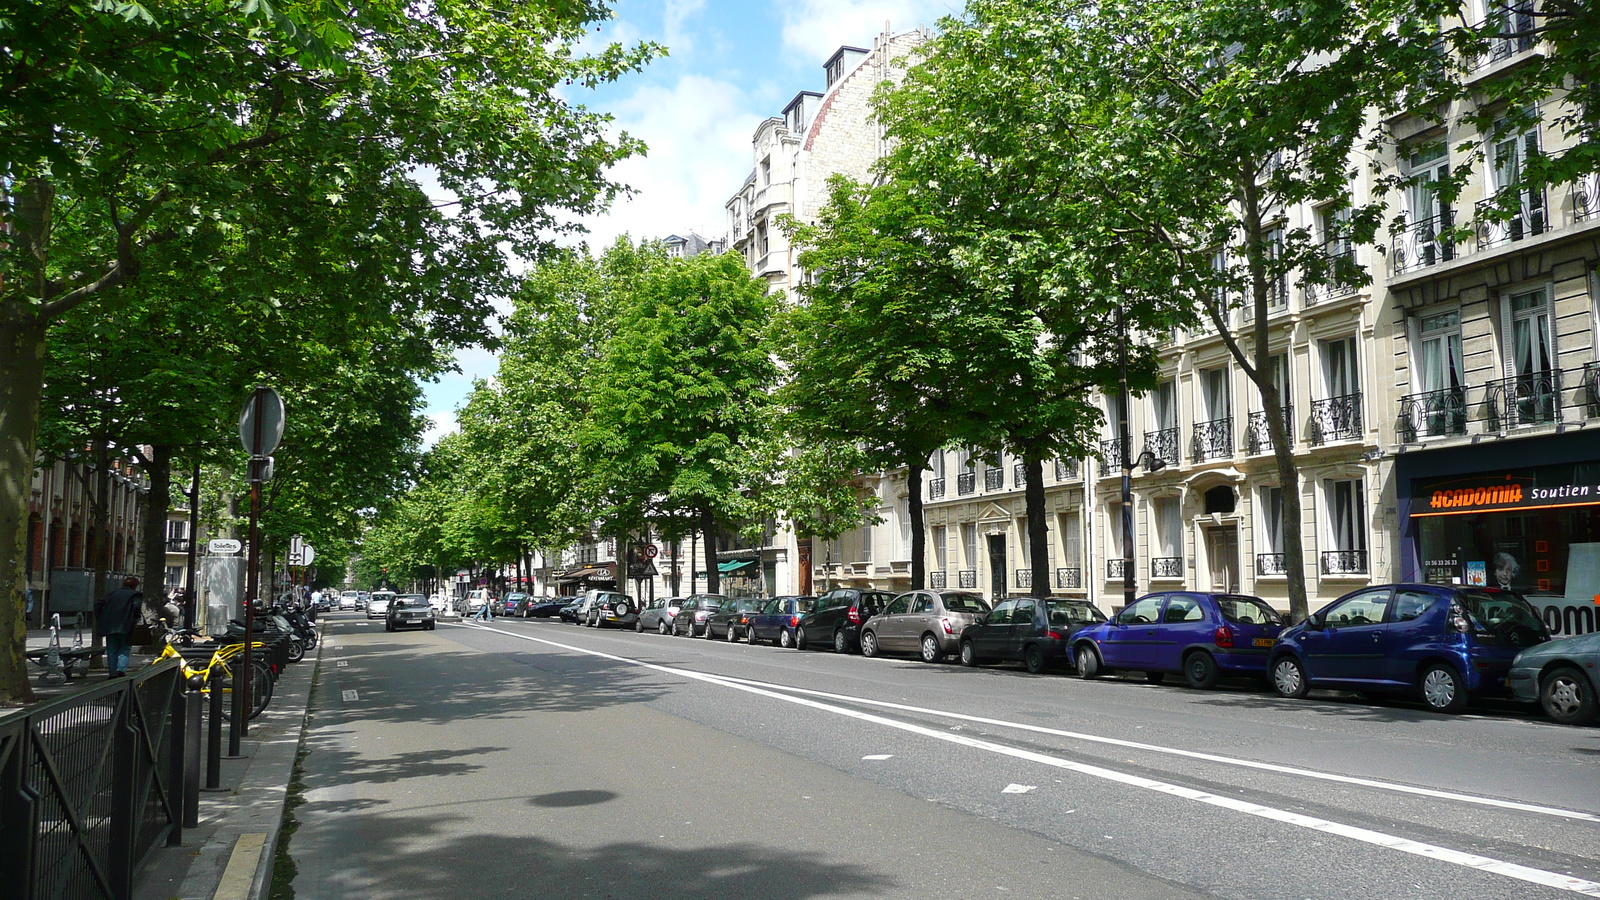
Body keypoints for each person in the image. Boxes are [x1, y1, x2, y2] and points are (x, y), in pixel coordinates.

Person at [95, 576, 144, 678]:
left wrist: (100, 617)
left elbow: (98, 604)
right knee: (125, 648)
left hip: (110, 625)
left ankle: (112, 673)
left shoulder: (111, 593)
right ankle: (121, 669)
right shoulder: (136, 595)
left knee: (111, 650)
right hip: (126, 625)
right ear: (135, 586)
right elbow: (136, 608)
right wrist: (135, 618)